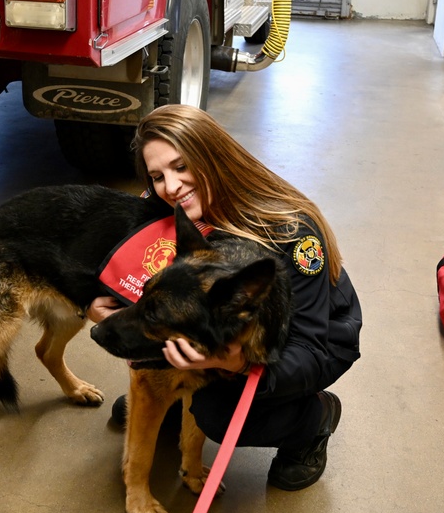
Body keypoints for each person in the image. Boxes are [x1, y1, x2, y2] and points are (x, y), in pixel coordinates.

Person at [88, 104, 362, 491]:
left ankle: (314, 419)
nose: (171, 186)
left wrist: (233, 363)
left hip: (311, 342)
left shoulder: (293, 233)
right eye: (157, 176)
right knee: (176, 379)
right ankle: (183, 402)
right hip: (234, 334)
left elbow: (308, 351)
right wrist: (109, 304)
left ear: (213, 155)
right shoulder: (178, 214)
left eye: (181, 166)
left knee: (215, 412)